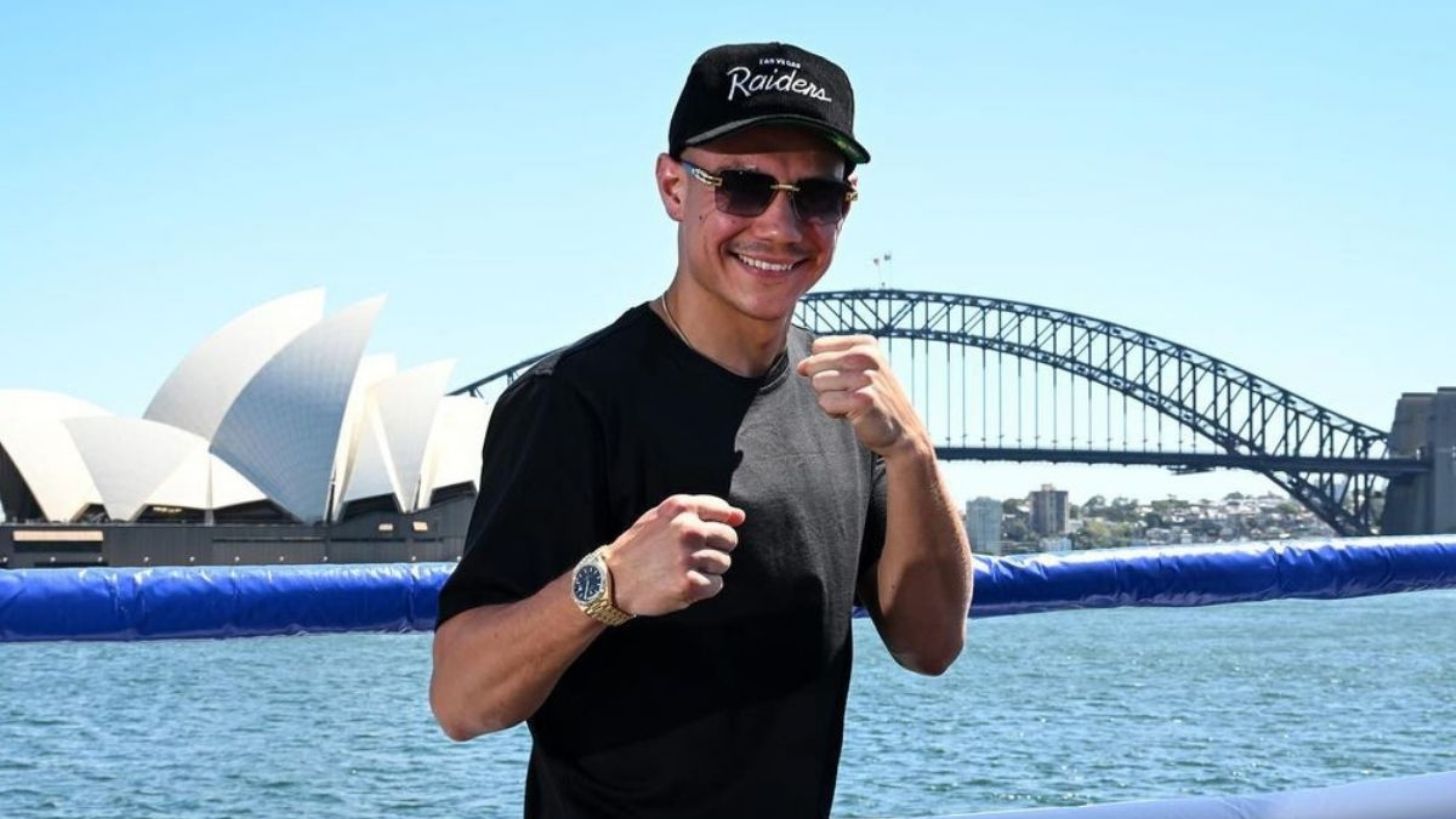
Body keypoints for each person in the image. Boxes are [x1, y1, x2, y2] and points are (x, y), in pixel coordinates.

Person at [430, 41, 972, 818]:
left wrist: (912, 450)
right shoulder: (571, 401)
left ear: (846, 207)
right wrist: (608, 585)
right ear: (672, 187)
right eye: (743, 186)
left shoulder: (844, 401)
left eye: (816, 194)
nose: (781, 225)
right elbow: (459, 698)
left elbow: (931, 645)